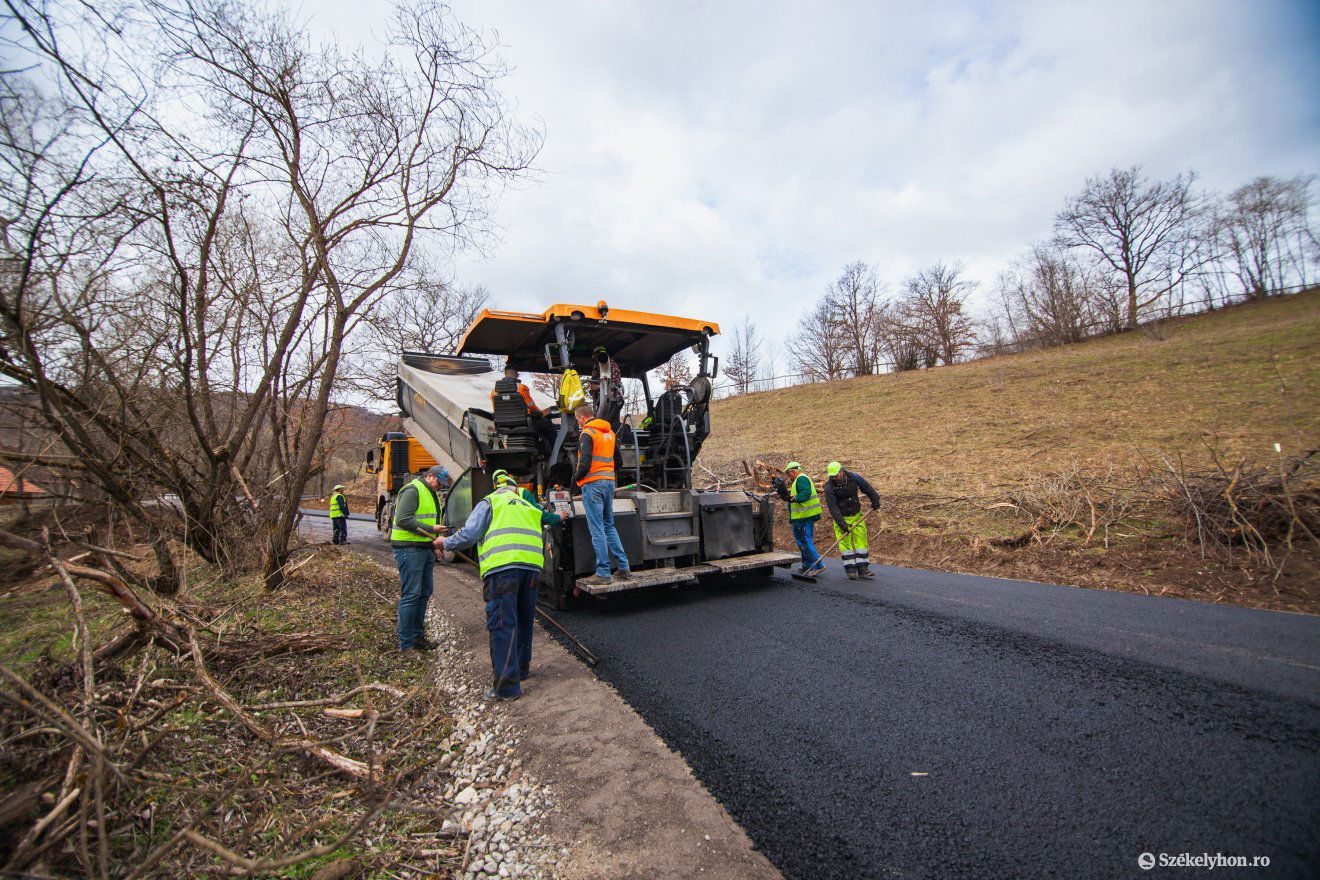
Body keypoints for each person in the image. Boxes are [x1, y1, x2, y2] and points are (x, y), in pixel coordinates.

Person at [440, 472, 555, 700]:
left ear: (495, 488)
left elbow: (470, 535)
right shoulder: (529, 506)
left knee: (503, 625)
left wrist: (445, 542)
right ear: (515, 489)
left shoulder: (489, 502)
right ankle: (521, 670)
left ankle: (506, 688)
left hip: (503, 571)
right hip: (531, 570)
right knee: (523, 621)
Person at [390, 465, 448, 654]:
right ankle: (406, 644)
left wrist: (434, 546)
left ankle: (417, 637)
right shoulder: (412, 490)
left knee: (424, 593)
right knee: (411, 595)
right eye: (439, 482)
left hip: (423, 549)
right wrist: (432, 530)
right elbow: (403, 520)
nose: (440, 486)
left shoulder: (431, 493)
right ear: (430, 476)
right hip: (408, 549)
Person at [573, 403, 631, 586]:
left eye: (577, 420)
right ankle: (624, 567)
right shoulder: (610, 433)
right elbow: (618, 461)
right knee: (608, 525)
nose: (578, 423)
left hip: (593, 485)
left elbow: (584, 463)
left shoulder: (587, 433)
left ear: (582, 418)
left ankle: (603, 572)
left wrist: (573, 481)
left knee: (597, 528)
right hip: (608, 483)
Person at [822, 461, 880, 579]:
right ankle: (850, 570)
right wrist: (842, 524)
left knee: (861, 542)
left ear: (841, 471)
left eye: (835, 475)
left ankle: (863, 569)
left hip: (856, 515)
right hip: (841, 518)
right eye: (831, 476)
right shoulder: (829, 487)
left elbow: (867, 488)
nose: (833, 478)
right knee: (845, 545)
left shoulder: (854, 477)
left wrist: (875, 499)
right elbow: (833, 508)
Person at [492, 365, 557, 452]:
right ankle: (555, 452)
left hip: (503, 424)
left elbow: (496, 409)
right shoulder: (521, 388)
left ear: (505, 374)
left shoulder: (494, 391)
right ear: (516, 374)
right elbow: (531, 406)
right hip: (524, 422)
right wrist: (541, 413)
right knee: (549, 426)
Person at [777, 462, 823, 575]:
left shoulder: (801, 479)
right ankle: (807, 564)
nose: (789, 476)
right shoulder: (799, 480)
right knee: (802, 541)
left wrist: (796, 498)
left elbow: (806, 494)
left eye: (788, 474)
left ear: (792, 471)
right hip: (801, 516)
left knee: (805, 540)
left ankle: (818, 565)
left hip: (805, 516)